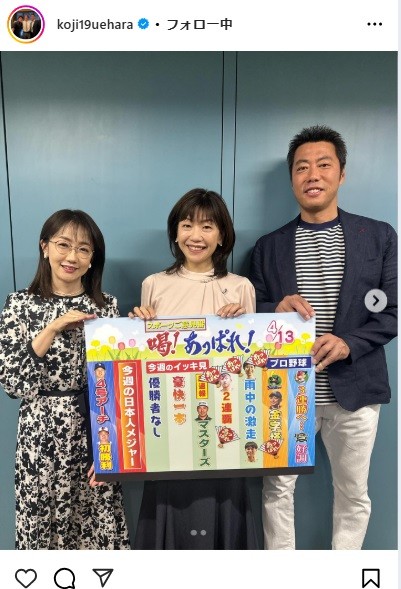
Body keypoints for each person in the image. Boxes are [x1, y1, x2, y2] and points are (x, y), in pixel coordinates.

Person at [250, 125, 397, 550]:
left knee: (353, 492)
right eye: (302, 168)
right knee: (277, 489)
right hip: (286, 390)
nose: (312, 175)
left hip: (357, 387)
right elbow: (250, 311)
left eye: (323, 165)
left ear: (341, 174)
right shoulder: (268, 246)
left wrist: (349, 343)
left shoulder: (380, 236)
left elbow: (392, 312)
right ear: (292, 179)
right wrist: (272, 310)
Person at [131, 187, 258, 549]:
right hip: (170, 421)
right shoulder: (154, 284)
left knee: (224, 504)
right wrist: (138, 326)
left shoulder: (240, 287)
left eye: (207, 226)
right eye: (187, 225)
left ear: (222, 236)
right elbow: (147, 357)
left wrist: (243, 324)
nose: (196, 236)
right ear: (175, 233)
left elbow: (252, 364)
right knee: (169, 504)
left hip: (224, 422)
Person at [0, 209, 130, 550]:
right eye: (63, 245)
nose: (72, 257)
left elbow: (117, 386)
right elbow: (14, 384)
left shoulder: (106, 307)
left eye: (83, 249)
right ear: (45, 247)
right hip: (39, 436)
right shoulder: (19, 305)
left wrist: (110, 453)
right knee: (42, 527)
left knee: (96, 527)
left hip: (93, 432)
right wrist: (53, 328)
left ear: (93, 258)